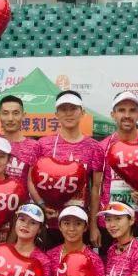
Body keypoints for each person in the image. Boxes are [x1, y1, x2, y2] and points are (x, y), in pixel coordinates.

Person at [34, 91, 104, 247]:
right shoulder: (43, 144)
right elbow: (32, 179)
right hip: (52, 223)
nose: (68, 113)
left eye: (73, 108)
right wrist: (42, 204)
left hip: (80, 224)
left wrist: (93, 226)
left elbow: (96, 188)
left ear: (82, 112)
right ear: (56, 114)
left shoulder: (94, 147)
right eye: (63, 109)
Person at [98, 91, 138, 248]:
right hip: (109, 222)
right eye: (121, 110)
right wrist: (93, 225)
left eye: (132, 110)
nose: (127, 115)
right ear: (113, 114)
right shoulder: (102, 147)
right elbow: (95, 188)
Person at [0, 94, 41, 187]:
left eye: (15, 113)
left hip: (23, 196)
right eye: (5, 113)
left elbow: (34, 182)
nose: (10, 118)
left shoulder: (34, 146)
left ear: (23, 116)